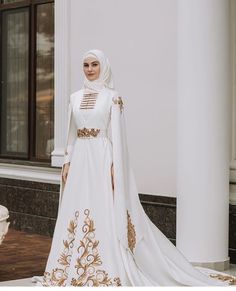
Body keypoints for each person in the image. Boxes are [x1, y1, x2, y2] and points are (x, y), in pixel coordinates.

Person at [32, 49, 236, 287]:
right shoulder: (75, 97)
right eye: (86, 65)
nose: (89, 69)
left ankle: (106, 267)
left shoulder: (113, 97)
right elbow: (70, 135)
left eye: (94, 64)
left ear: (104, 66)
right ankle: (71, 266)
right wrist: (67, 161)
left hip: (101, 157)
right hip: (80, 161)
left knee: (102, 207)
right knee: (77, 206)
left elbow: (118, 137)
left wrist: (114, 167)